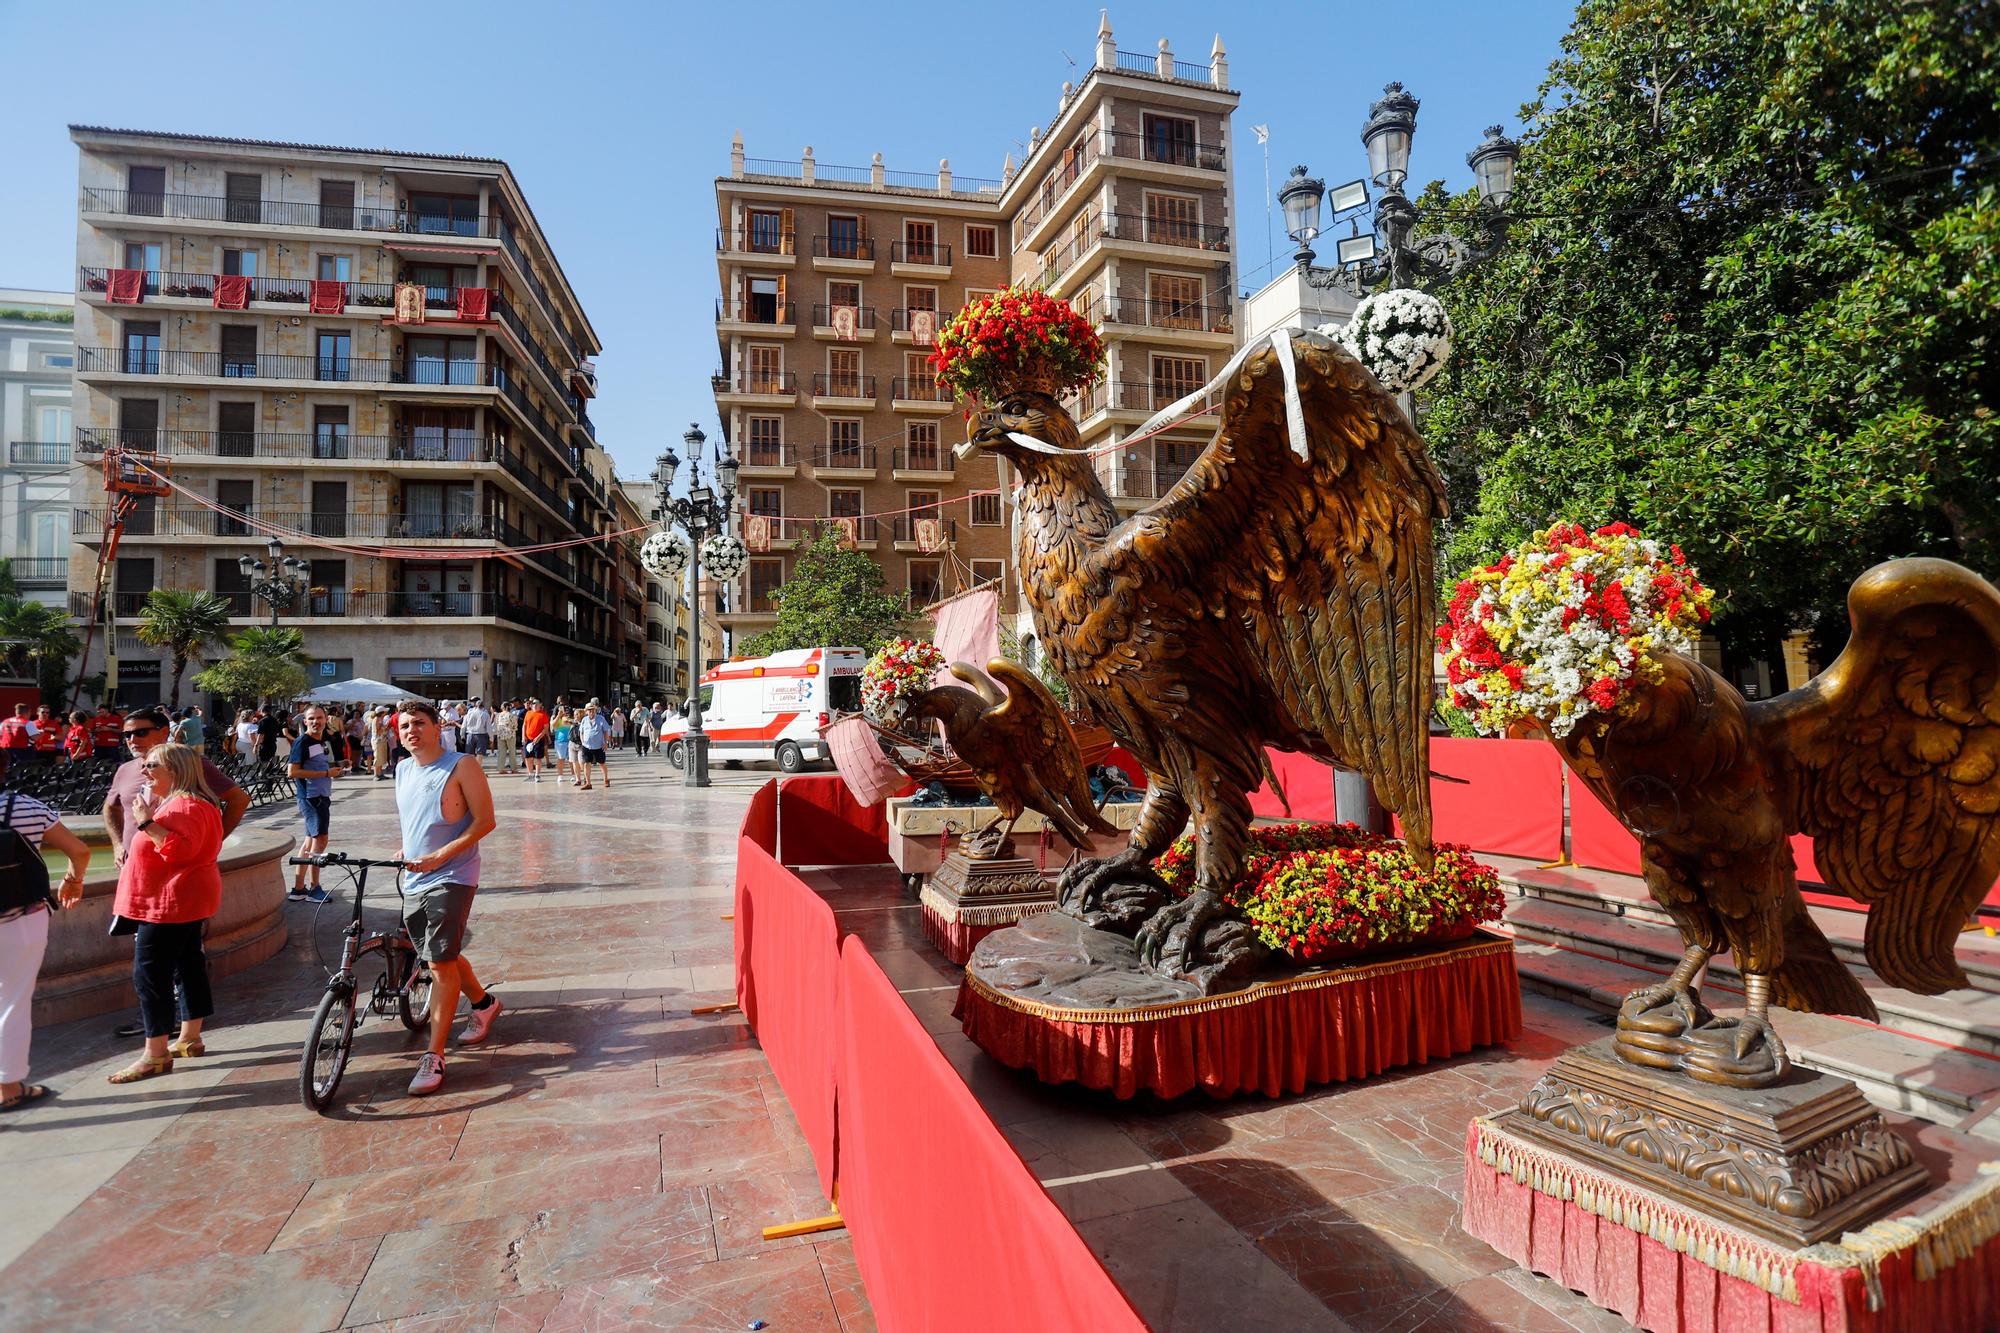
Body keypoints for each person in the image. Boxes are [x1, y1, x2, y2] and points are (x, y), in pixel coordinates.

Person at [393, 699, 500, 1096]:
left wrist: (441, 854)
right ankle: (484, 1004)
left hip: (453, 875)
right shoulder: (402, 769)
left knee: (438, 962)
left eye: (418, 723)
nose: (410, 731)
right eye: (404, 725)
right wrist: (405, 850)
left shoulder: (461, 765)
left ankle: (434, 1055)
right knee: (443, 955)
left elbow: (485, 820)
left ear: (437, 727)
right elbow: (414, 822)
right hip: (415, 878)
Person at [106, 743, 226, 1084]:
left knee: (150, 976)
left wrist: (146, 823)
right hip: (179, 900)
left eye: (152, 765)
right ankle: (189, 1038)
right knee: (187, 966)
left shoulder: (185, 805)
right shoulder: (186, 802)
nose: (144, 771)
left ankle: (155, 1054)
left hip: (168, 903)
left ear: (174, 769)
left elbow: (182, 851)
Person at [0, 791, 89, 1111]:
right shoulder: (24, 807)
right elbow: (79, 851)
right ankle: (8, 1087)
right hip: (19, 921)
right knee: (12, 1002)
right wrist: (72, 881)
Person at [286, 706, 342, 902]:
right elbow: (292, 772)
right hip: (311, 797)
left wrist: (333, 768)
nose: (315, 722)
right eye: (311, 718)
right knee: (320, 840)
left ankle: (298, 889)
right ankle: (314, 888)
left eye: (319, 718)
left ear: (326, 719)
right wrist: (326, 773)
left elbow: (315, 764)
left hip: (320, 795)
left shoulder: (320, 741)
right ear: (305, 721)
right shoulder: (302, 741)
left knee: (310, 841)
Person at [575, 702, 611, 790]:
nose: (591, 711)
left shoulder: (601, 719)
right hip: (587, 746)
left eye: (592, 710)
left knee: (602, 763)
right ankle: (588, 783)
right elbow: (581, 731)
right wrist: (583, 741)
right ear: (586, 711)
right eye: (589, 710)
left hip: (599, 746)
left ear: (595, 710)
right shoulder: (584, 720)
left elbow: (606, 731)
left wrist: (606, 742)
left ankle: (606, 779)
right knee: (587, 764)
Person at [521, 699, 549, 782]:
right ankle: (530, 774)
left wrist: (539, 737)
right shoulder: (528, 713)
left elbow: (546, 728)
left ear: (540, 704)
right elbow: (524, 725)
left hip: (538, 739)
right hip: (528, 739)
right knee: (527, 757)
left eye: (536, 704)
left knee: (537, 758)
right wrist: (523, 736)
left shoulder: (543, 714)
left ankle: (537, 775)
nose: (534, 705)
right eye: (533, 704)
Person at [492, 699, 519, 775]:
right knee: (512, 752)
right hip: (510, 734)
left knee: (501, 752)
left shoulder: (498, 715)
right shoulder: (511, 715)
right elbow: (515, 725)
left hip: (500, 734)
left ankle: (500, 768)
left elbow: (496, 724)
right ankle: (513, 768)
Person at [550, 707, 575, 786]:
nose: (564, 712)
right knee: (561, 759)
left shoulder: (570, 719)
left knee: (572, 759)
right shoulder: (557, 719)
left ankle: (573, 774)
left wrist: (570, 720)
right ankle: (560, 775)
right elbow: (553, 725)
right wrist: (558, 716)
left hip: (570, 741)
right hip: (560, 742)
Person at [461, 699, 490, 764]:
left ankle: (471, 767)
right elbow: (488, 727)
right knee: (480, 753)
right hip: (481, 735)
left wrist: (462, 735)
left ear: (476, 706)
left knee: (470, 753)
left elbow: (463, 726)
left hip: (470, 734)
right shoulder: (485, 714)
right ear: (483, 706)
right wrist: (491, 738)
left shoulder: (468, 714)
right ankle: (478, 767)